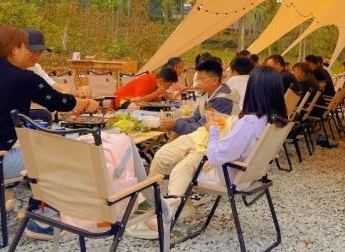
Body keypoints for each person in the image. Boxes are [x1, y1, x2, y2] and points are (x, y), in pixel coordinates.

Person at [132, 66, 287, 240]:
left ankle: (167, 214)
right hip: (249, 174)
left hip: (229, 176)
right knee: (184, 159)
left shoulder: (249, 122)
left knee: (181, 168)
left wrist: (212, 129)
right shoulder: (275, 121)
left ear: (253, 90)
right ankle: (175, 206)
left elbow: (215, 156)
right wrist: (225, 120)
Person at [0, 25, 99, 237]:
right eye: (27, 47)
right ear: (13, 49)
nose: (35, 54)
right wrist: (86, 103)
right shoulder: (23, 78)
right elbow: (59, 102)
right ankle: (41, 221)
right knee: (55, 154)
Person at [159, 59, 239, 137]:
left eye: (201, 79)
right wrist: (175, 122)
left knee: (177, 132)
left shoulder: (222, 100)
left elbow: (202, 128)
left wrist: (175, 124)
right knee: (176, 132)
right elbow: (195, 118)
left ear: (214, 81)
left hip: (218, 140)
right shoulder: (206, 94)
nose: (198, 83)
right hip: (207, 135)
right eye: (197, 79)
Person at [114, 66, 178, 108]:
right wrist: (157, 93)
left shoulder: (156, 83)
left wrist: (164, 98)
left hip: (133, 101)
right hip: (121, 102)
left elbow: (152, 99)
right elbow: (138, 100)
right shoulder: (146, 80)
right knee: (136, 106)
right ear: (161, 81)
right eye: (169, 85)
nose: (169, 87)